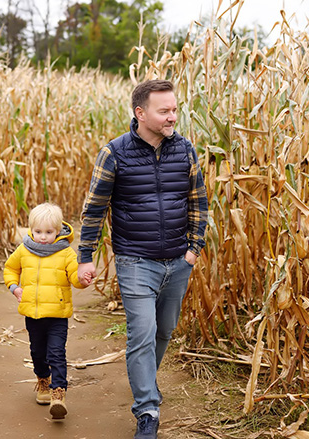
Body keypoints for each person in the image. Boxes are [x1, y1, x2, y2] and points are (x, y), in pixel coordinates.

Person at [77, 79, 208, 439]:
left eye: (174, 109)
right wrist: (85, 256)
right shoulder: (115, 153)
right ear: (141, 113)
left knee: (163, 331)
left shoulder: (185, 150)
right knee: (143, 333)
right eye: (164, 111)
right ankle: (147, 408)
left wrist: (193, 249)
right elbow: (94, 209)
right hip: (136, 261)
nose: (172, 117)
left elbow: (199, 201)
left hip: (178, 261)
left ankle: (144, 380)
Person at [3, 202, 86, 420]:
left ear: (58, 231)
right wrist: (14, 286)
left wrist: (83, 279)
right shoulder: (24, 250)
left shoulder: (66, 253)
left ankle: (58, 393)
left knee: (56, 353)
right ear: (31, 229)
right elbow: (10, 268)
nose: (42, 237)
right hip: (33, 314)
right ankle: (43, 381)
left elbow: (75, 278)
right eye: (38, 231)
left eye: (48, 232)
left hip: (57, 315)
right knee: (37, 353)